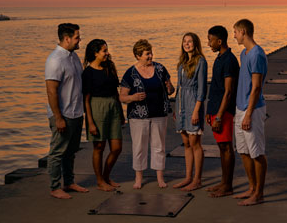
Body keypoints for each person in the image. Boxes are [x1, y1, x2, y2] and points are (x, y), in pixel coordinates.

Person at [120, 39, 174, 189]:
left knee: (159, 146)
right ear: (138, 56)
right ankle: (138, 178)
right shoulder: (130, 73)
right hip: (138, 116)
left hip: (159, 113)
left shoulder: (160, 69)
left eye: (150, 53)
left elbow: (171, 90)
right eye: (146, 54)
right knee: (139, 147)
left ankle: (160, 178)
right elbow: (122, 97)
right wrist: (133, 97)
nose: (150, 56)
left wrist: (170, 88)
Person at [45, 23, 89, 199]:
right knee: (57, 152)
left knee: (71, 151)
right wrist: (58, 118)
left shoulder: (73, 56)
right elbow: (51, 90)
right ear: (67, 38)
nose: (80, 40)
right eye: (77, 37)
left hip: (76, 113)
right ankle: (55, 187)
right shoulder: (55, 60)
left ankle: (69, 182)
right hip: (62, 115)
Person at [232, 19, 268, 206]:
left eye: (236, 32)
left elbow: (255, 88)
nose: (234, 36)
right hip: (240, 108)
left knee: (256, 153)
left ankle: (259, 194)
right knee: (243, 151)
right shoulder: (244, 54)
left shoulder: (257, 55)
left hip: (252, 110)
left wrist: (247, 114)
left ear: (243, 31)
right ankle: (252, 188)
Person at [82, 39, 124, 192]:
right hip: (96, 106)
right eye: (104, 51)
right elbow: (86, 99)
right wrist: (90, 122)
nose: (107, 53)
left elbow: (115, 91)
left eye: (107, 50)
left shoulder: (109, 66)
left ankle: (106, 176)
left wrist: (120, 112)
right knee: (99, 146)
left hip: (113, 105)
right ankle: (100, 181)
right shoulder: (88, 72)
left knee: (117, 147)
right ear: (95, 53)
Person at [206, 25, 239, 198]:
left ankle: (228, 186)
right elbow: (216, 88)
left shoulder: (229, 60)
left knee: (227, 147)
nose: (208, 43)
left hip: (224, 111)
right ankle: (223, 181)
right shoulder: (219, 58)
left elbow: (228, 92)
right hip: (215, 109)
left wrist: (218, 116)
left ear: (220, 41)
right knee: (221, 147)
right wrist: (209, 110)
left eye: (210, 40)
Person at [173, 32, 208, 191]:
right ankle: (188, 177)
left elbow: (202, 88)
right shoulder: (181, 63)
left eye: (190, 41)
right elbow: (179, 87)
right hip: (181, 104)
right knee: (186, 142)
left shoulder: (200, 61)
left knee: (195, 143)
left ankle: (197, 179)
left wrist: (196, 111)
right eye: (184, 41)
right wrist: (176, 108)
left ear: (195, 43)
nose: (187, 44)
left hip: (193, 102)